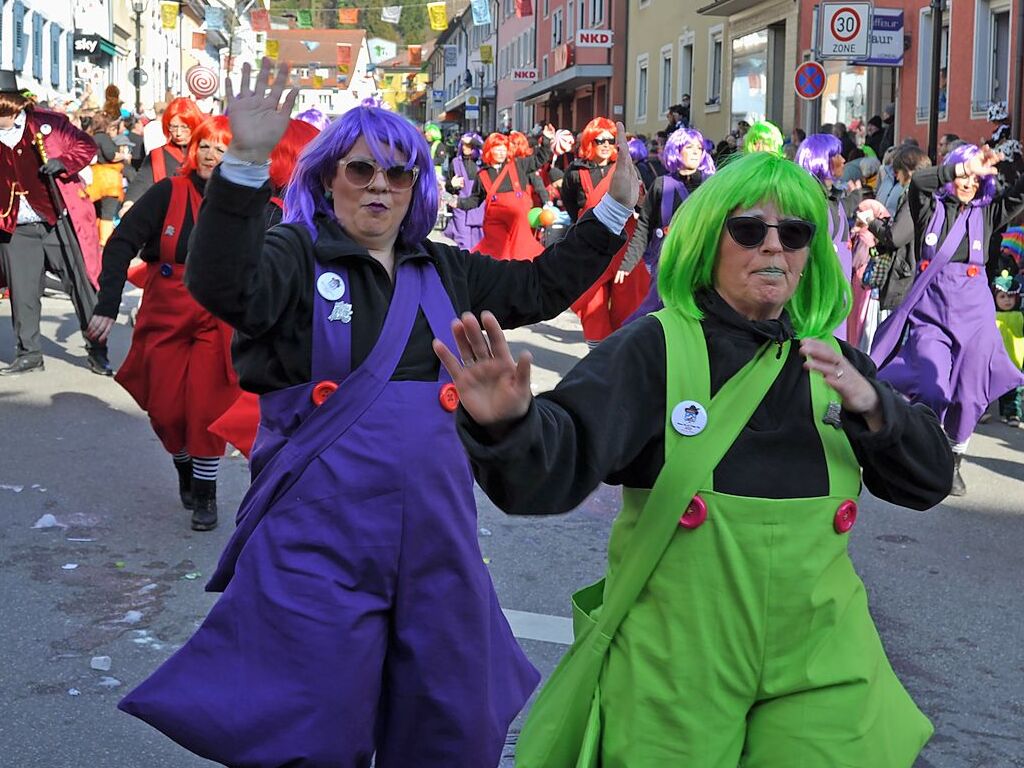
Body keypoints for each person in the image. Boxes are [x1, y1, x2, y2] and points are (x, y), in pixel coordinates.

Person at [116, 58, 640, 767]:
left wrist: (611, 213)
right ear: (328, 179)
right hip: (316, 545)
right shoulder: (292, 254)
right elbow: (224, 285)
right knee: (310, 732)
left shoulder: (447, 270)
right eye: (361, 171)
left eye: (398, 174)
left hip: (438, 545)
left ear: (417, 187)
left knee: (448, 723)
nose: (380, 187)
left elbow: (542, 286)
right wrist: (242, 165)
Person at [435, 150, 953, 768]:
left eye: (794, 234)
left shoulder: (834, 364)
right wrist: (508, 423)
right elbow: (552, 468)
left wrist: (875, 406)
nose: (772, 247)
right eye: (748, 229)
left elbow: (928, 480)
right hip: (677, 661)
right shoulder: (655, 347)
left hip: (822, 660)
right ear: (710, 241)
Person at [86, 116, 241, 531]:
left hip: (218, 315)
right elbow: (120, 243)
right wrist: (107, 304)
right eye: (205, 145)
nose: (211, 154)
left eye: (222, 148)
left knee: (208, 407)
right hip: (167, 308)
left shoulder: (247, 200)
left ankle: (206, 496)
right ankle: (184, 462)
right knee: (166, 410)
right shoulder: (168, 191)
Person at [871, 144, 1024, 496]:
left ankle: (953, 459)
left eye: (975, 176)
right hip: (932, 316)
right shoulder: (929, 207)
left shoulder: (987, 214)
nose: (969, 181)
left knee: (970, 396)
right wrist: (960, 167)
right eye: (964, 173)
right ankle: (921, 452)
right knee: (930, 386)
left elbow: (1018, 195)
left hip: (976, 318)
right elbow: (919, 183)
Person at [0, 69, 110, 376]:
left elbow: (86, 146)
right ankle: (29, 353)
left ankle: (97, 350)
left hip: (57, 220)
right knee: (22, 292)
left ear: (8, 106)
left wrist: (64, 163)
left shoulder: (48, 124)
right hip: (15, 225)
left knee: (82, 286)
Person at [562, 117, 649, 345]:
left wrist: (641, 203)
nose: (605, 144)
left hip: (625, 247)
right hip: (592, 245)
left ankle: (625, 351)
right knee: (592, 305)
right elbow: (572, 207)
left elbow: (642, 206)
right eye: (599, 139)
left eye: (610, 140)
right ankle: (597, 353)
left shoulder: (628, 169)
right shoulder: (575, 172)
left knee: (630, 304)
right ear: (590, 141)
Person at [622, 127, 715, 322]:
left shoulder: (712, 185)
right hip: (667, 260)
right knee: (657, 316)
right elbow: (644, 226)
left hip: (702, 261)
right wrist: (628, 263)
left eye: (699, 147)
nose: (696, 151)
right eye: (689, 147)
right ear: (677, 150)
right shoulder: (661, 184)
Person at [795, 133, 862, 339]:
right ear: (821, 159)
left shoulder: (832, 197)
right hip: (819, 298)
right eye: (837, 155)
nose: (843, 160)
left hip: (836, 298)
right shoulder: (809, 201)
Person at [457, 126, 554, 261]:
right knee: (497, 261)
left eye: (504, 149)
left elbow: (539, 159)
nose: (502, 152)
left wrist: (546, 139)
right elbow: (474, 200)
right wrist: (455, 202)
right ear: (489, 150)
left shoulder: (517, 165)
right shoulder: (483, 175)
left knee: (524, 259)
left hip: (518, 225)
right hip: (496, 229)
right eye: (498, 148)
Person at [121, 97, 205, 216]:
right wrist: (128, 204)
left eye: (184, 127)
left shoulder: (206, 152)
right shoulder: (158, 154)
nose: (178, 133)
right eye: (174, 127)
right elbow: (141, 183)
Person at [85, 113, 132, 247]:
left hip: (94, 179)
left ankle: (94, 239)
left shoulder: (91, 138)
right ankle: (105, 242)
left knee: (97, 212)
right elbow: (110, 155)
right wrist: (124, 155)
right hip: (108, 180)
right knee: (108, 213)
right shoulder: (104, 138)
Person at [442, 131, 485, 251]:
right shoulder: (455, 163)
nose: (466, 148)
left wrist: (473, 140)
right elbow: (446, 190)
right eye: (464, 145)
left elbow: (486, 149)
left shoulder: (482, 163)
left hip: (479, 208)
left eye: (470, 145)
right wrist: (452, 185)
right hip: (460, 209)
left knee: (480, 245)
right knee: (464, 245)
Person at [993, 270, 1023, 426]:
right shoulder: (991, 316)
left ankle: (1012, 414)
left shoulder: (1020, 316)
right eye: (1002, 296)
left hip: (1015, 361)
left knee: (1013, 391)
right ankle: (980, 412)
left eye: (1010, 296)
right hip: (994, 361)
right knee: (989, 388)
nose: (1007, 300)